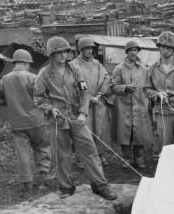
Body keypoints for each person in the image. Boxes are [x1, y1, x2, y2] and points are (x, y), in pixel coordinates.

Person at [34, 36, 116, 200]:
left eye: (65, 51)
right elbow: (38, 98)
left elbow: (85, 92)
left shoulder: (74, 70)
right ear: (51, 54)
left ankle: (100, 186)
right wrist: (51, 109)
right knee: (63, 155)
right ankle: (66, 187)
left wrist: (82, 113)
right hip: (58, 120)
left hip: (77, 118)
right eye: (58, 52)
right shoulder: (44, 74)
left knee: (90, 150)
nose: (63, 55)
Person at [0, 49, 51, 193]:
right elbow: (43, 98)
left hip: (17, 123)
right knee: (42, 148)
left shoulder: (5, 79)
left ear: (15, 62)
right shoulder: (34, 78)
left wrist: (12, 103)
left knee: (22, 153)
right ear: (27, 63)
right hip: (36, 121)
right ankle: (43, 180)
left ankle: (26, 183)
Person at [70, 36, 112, 167]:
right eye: (87, 48)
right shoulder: (73, 65)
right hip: (82, 103)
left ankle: (100, 155)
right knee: (83, 130)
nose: (90, 51)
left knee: (100, 129)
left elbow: (106, 78)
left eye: (91, 48)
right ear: (81, 49)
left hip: (97, 102)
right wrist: (88, 97)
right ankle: (81, 157)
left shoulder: (97, 63)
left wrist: (100, 94)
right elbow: (75, 84)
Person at [111, 39, 152, 168]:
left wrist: (147, 100)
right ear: (126, 52)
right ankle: (127, 159)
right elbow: (113, 86)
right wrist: (126, 88)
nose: (133, 53)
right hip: (124, 106)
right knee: (125, 133)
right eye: (131, 50)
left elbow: (147, 87)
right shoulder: (118, 69)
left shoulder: (144, 69)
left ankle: (139, 158)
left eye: (135, 50)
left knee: (139, 133)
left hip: (140, 105)